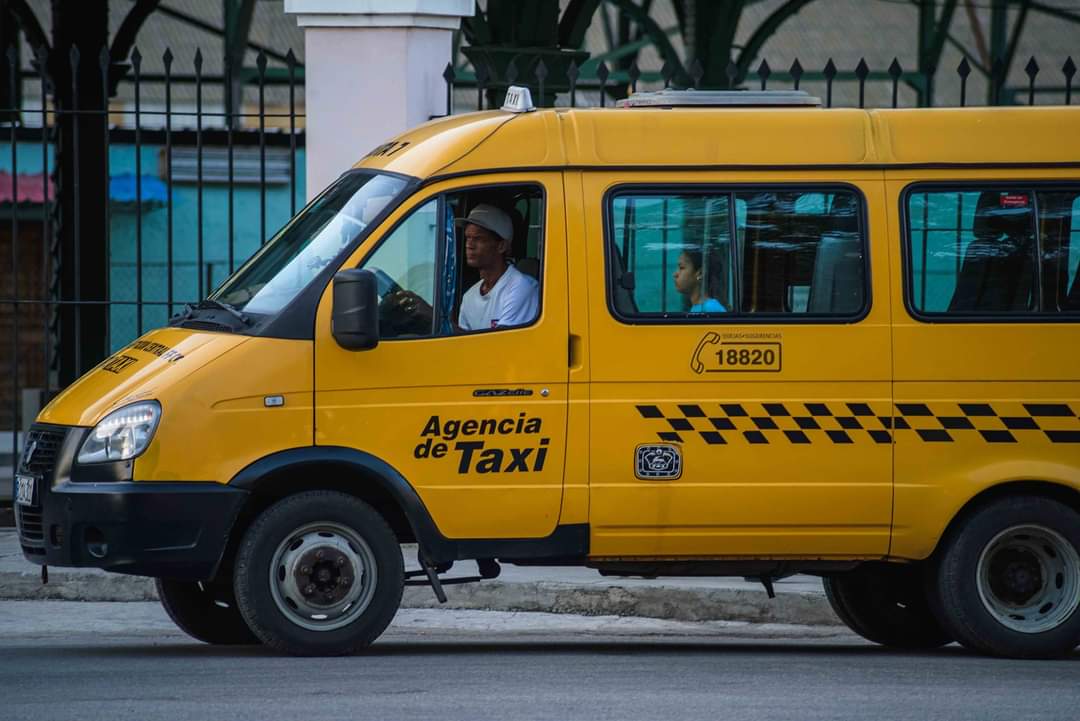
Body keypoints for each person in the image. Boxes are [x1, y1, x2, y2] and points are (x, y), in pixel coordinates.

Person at [456, 203, 539, 331]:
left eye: (478, 238)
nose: (469, 245)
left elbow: (500, 345)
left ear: (501, 246)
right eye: (468, 238)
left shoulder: (521, 287)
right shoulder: (469, 296)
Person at [674, 247, 727, 313]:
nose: (675, 274)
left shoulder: (711, 308)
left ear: (700, 273)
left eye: (681, 268)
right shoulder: (698, 307)